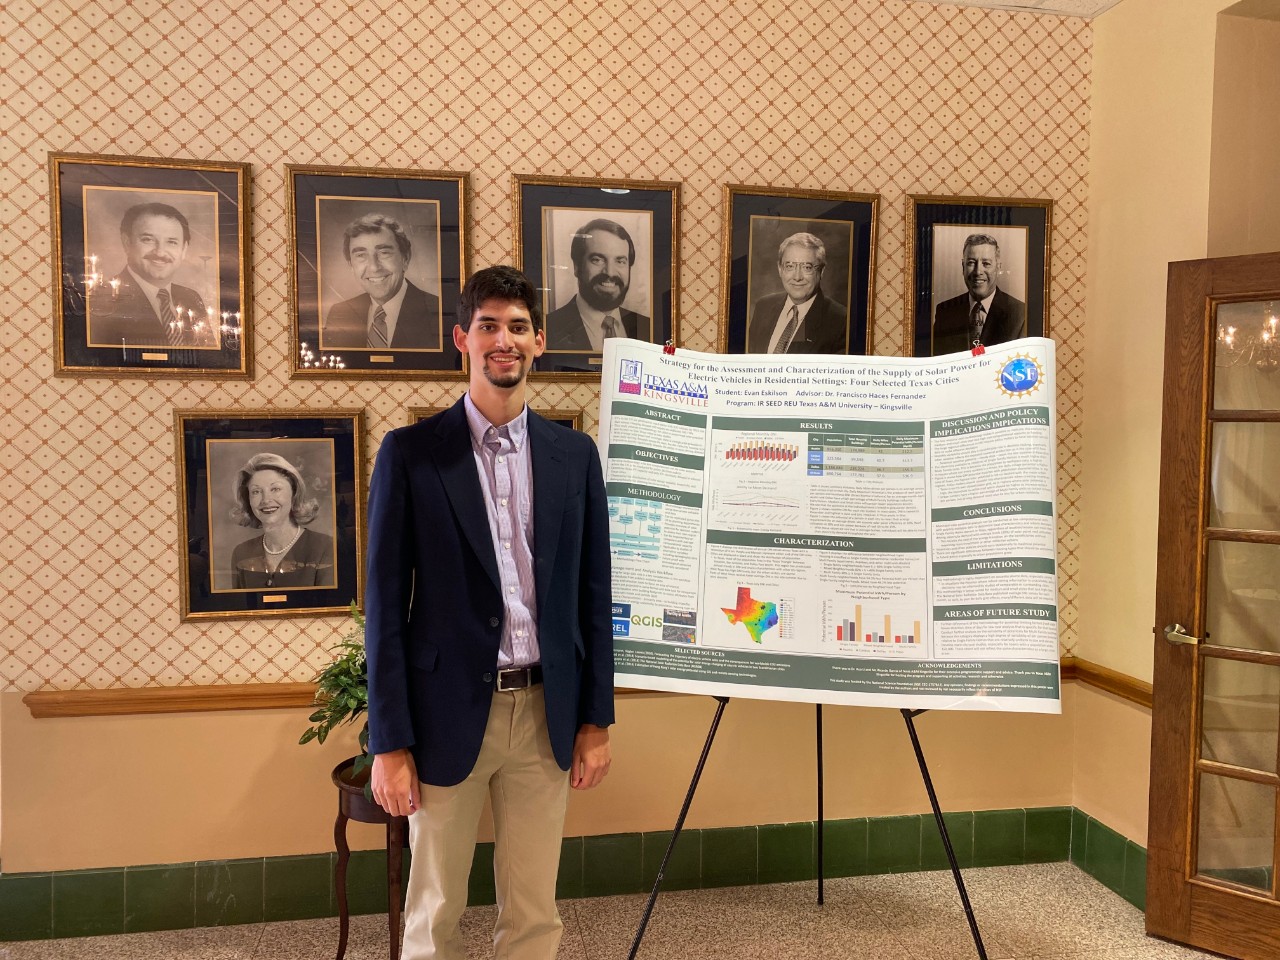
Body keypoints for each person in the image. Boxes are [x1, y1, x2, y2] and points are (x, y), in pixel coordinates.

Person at [364, 265, 614, 960]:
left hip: (545, 714)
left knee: (535, 911)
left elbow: (593, 596)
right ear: (462, 339)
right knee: (436, 905)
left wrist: (596, 720)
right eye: (488, 326)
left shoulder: (574, 456)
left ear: (539, 341)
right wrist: (389, 744)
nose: (503, 340)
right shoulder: (412, 455)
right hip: (445, 713)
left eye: (517, 327)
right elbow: (384, 609)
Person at [88, 202, 217, 349]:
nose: (160, 252)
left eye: (172, 242)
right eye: (147, 239)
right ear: (127, 242)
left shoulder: (191, 298)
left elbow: (209, 359)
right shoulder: (101, 297)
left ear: (184, 249)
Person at [321, 213, 442, 350]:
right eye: (361, 255)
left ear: (405, 258)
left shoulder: (438, 312)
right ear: (351, 265)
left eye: (384, 253)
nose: (374, 267)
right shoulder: (340, 314)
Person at [228, 452, 335, 589]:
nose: (266, 500)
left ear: (294, 492)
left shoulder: (325, 547)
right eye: (256, 492)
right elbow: (240, 609)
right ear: (248, 499)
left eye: (275, 489)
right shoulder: (241, 553)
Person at [544, 217, 650, 351]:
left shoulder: (647, 327)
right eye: (597, 260)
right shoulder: (548, 328)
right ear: (577, 266)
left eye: (620, 261)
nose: (610, 272)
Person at [746, 232, 849, 354]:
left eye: (807, 267)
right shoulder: (763, 307)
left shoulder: (841, 321)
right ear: (780, 269)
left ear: (821, 271)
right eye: (789, 266)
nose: (797, 277)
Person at [931, 233, 1027, 354]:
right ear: (963, 267)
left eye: (986, 263)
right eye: (971, 262)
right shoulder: (944, 312)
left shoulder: (1020, 314)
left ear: (998, 267)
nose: (978, 271)